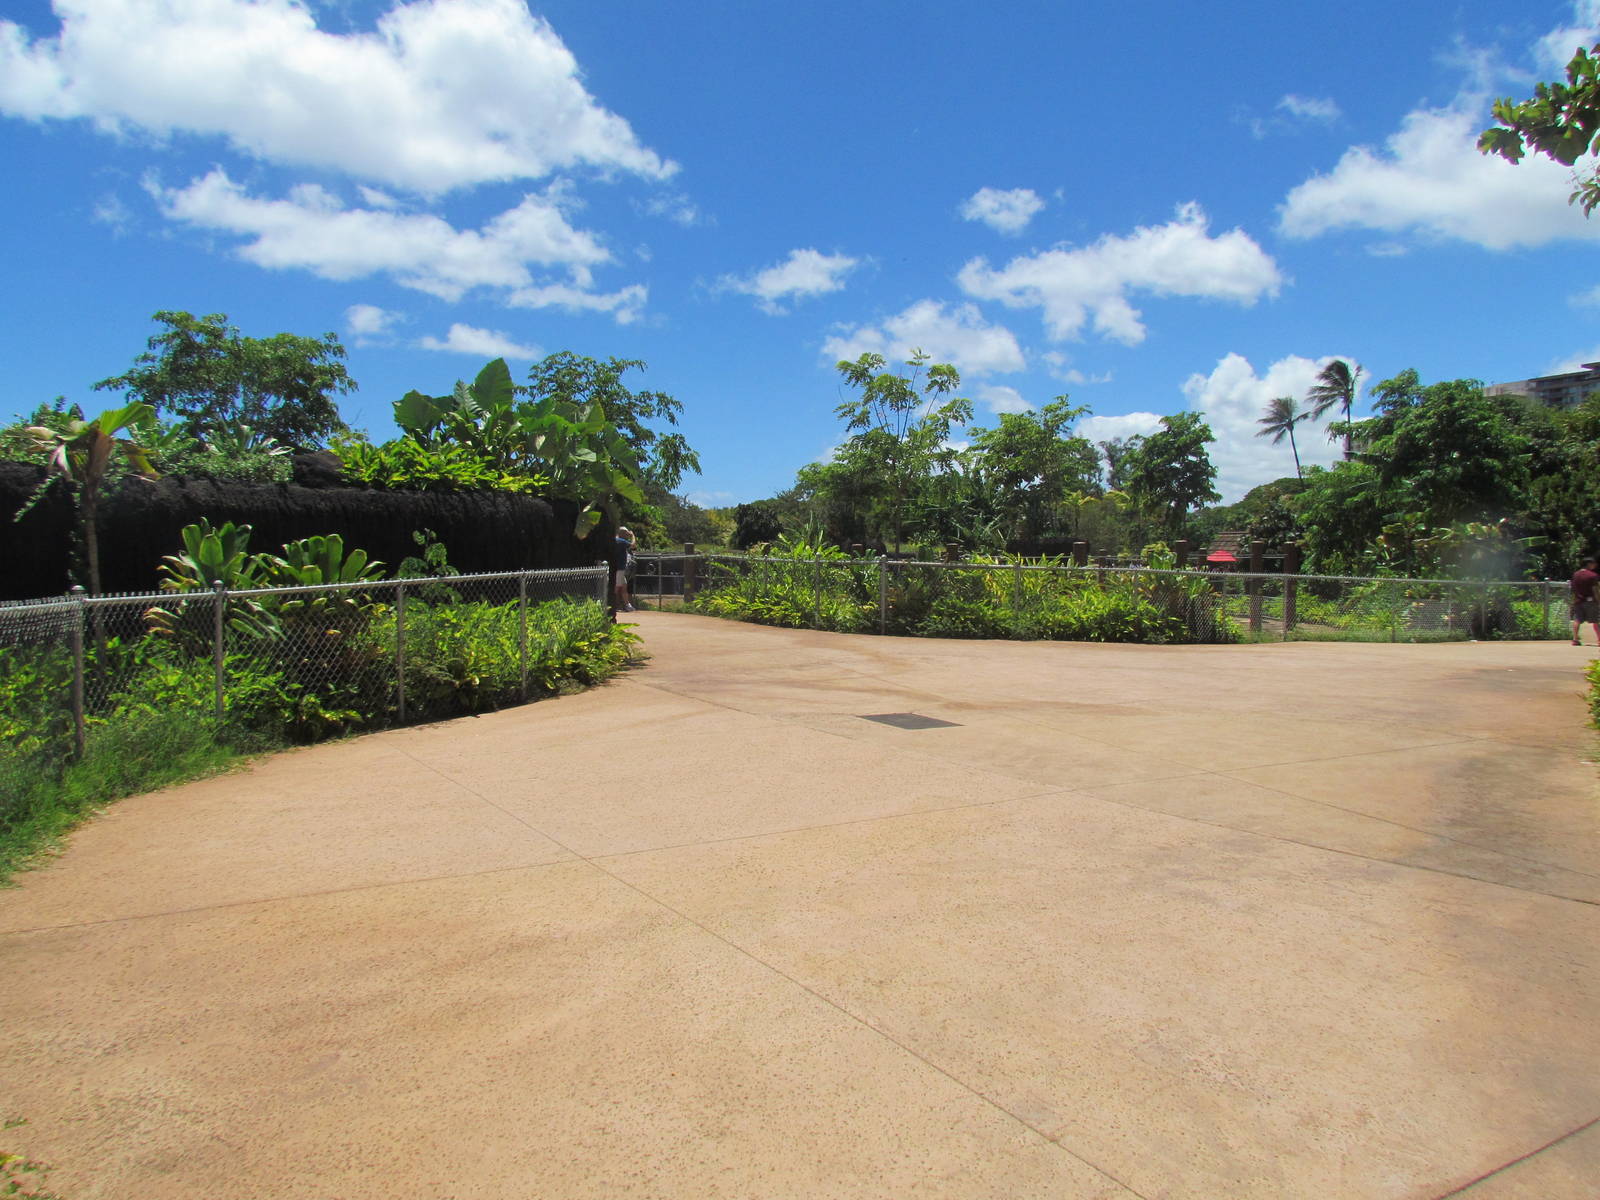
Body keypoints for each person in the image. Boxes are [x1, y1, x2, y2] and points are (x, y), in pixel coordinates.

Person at [1571, 556, 1600, 646]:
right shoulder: (1593, 575)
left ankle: (1575, 639)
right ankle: (1599, 640)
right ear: (1588, 564)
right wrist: (1598, 600)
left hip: (1578, 600)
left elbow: (1573, 588)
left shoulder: (1575, 574)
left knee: (1577, 620)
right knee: (1595, 621)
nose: (1595, 565)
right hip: (1590, 601)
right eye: (1593, 563)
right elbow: (1595, 589)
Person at [612, 526, 636, 614]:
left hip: (618, 568)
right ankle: (611, 604)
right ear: (621, 533)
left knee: (624, 586)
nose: (627, 535)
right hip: (619, 568)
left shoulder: (615, 540)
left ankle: (627, 605)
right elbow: (633, 545)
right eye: (626, 533)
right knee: (617, 588)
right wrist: (633, 535)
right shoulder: (621, 541)